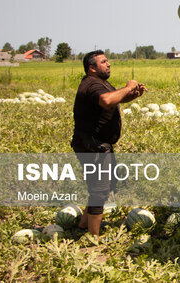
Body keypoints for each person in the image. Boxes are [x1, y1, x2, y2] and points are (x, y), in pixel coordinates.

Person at [72, 50, 148, 238]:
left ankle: (83, 225)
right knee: (100, 190)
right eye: (103, 62)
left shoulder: (100, 83)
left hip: (97, 145)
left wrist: (133, 95)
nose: (109, 64)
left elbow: (114, 99)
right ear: (92, 68)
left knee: (98, 187)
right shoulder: (92, 85)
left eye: (107, 61)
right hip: (93, 146)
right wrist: (128, 86)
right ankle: (93, 237)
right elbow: (107, 100)